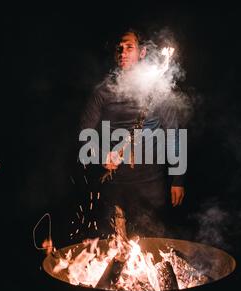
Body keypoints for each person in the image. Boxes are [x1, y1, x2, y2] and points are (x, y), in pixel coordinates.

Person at [79, 29, 185, 238]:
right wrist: (101, 156)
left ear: (143, 52)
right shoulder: (103, 91)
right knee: (113, 247)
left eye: (129, 47)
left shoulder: (158, 90)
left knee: (150, 246)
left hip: (150, 184)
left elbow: (174, 133)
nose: (123, 52)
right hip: (114, 185)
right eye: (119, 48)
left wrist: (178, 179)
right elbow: (85, 132)